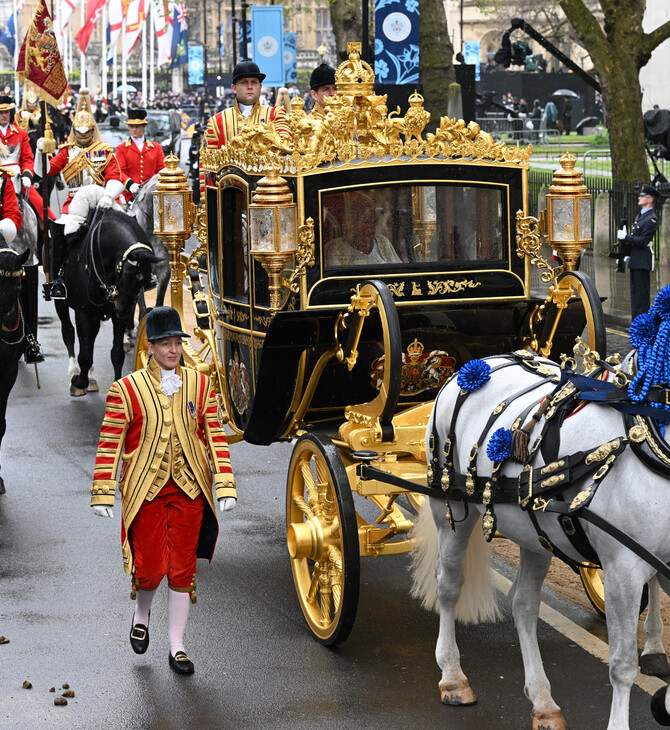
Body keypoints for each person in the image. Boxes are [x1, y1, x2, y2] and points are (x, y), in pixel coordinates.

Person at [91, 306, 236, 675]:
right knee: (152, 568)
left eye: (177, 343)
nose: (174, 350)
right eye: (166, 344)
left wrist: (224, 483)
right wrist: (104, 492)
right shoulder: (126, 390)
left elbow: (215, 438)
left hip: (189, 490)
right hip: (146, 491)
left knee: (182, 571)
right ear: (151, 347)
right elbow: (110, 443)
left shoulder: (201, 385)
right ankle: (142, 615)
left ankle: (177, 646)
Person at [35, 88, 124, 300]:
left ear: (92, 130)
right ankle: (58, 280)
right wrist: (41, 153)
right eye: (80, 131)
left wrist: (109, 196)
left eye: (87, 131)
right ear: (75, 130)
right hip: (73, 203)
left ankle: (133, 276)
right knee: (58, 234)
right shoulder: (67, 151)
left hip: (102, 199)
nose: (83, 135)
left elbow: (115, 177)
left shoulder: (105, 151)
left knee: (128, 226)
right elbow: (46, 171)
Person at [203, 61, 291, 150]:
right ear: (234, 88)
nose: (250, 86)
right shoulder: (216, 122)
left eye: (254, 82)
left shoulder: (276, 114)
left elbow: (286, 145)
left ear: (260, 86)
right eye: (244, 82)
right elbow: (207, 161)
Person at [322, 191, 401, 266]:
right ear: (353, 223)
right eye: (367, 222)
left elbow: (398, 271)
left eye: (374, 221)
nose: (372, 226)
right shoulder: (336, 249)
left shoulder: (382, 243)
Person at [618, 183, 661, 319]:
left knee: (641, 295)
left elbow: (643, 241)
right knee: (635, 294)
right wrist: (627, 254)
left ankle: (642, 325)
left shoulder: (651, 219)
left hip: (642, 261)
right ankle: (636, 322)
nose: (639, 197)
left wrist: (626, 237)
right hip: (636, 260)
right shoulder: (640, 216)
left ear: (649, 200)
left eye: (642, 196)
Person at [115, 108, 165, 202]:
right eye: (131, 126)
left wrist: (151, 186)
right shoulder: (121, 148)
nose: (134, 129)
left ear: (143, 127)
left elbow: (161, 171)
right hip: (129, 194)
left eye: (137, 126)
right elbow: (120, 171)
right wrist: (130, 184)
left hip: (151, 195)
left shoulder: (156, 147)